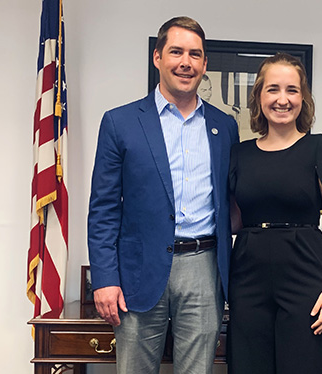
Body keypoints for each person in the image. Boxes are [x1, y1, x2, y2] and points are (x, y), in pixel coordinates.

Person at [87, 16, 239, 374]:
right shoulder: (119, 122)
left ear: (204, 64)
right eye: (176, 52)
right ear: (157, 57)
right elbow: (104, 209)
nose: (185, 62)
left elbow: (232, 199)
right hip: (138, 271)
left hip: (205, 266)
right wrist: (105, 279)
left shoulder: (225, 126)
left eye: (195, 54)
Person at [227, 52, 322, 374]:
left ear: (303, 98)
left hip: (305, 276)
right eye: (273, 89)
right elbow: (232, 221)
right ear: (259, 96)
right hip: (247, 279)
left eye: (292, 90)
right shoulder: (239, 154)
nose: (282, 99)